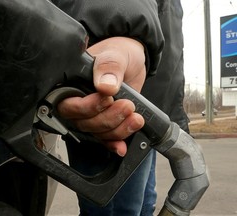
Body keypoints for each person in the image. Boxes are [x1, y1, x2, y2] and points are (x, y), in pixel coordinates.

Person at [55, 0, 191, 215]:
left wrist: (173, 118)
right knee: (117, 209)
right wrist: (122, 31)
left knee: (145, 204)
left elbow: (171, 48)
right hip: (111, 101)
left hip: (152, 112)